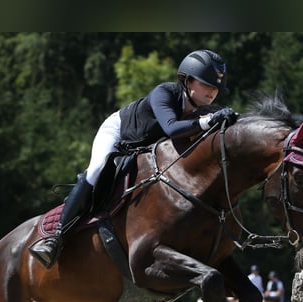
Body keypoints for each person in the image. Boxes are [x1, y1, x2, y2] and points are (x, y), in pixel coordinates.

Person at [29, 49, 237, 268]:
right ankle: (56, 237)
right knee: (98, 169)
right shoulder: (164, 93)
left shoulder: (206, 111)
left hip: (144, 149)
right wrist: (209, 121)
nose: (213, 92)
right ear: (188, 80)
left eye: (217, 88)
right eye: (207, 84)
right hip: (119, 133)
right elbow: (172, 128)